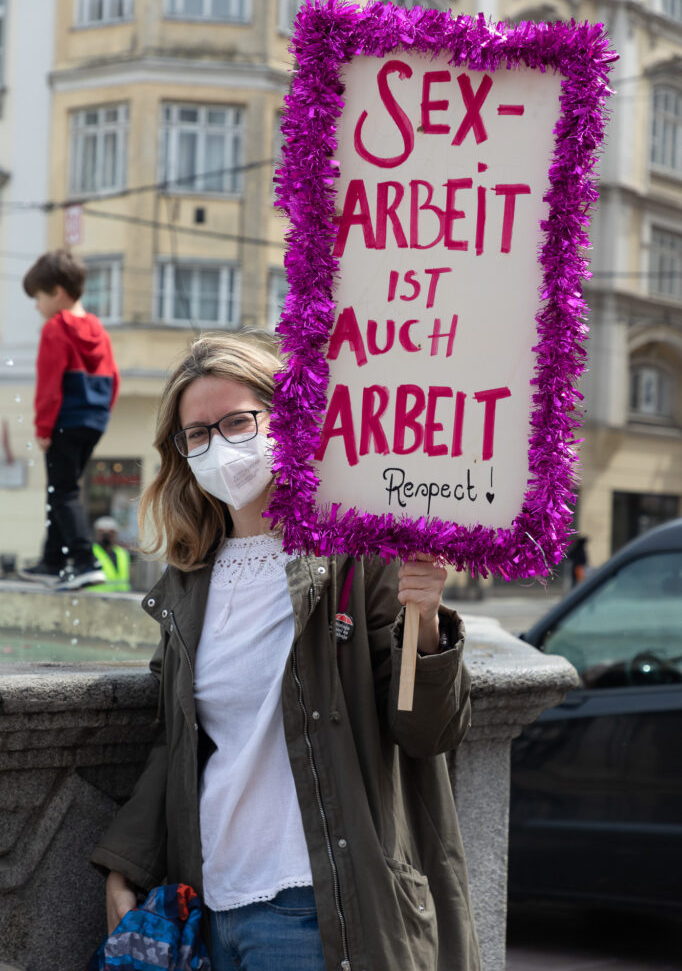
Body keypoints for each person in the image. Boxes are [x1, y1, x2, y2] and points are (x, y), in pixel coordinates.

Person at [91, 331, 481, 971]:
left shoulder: (361, 556)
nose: (219, 447)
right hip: (211, 902)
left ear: (294, 417)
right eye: (197, 435)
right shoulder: (190, 582)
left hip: (315, 907)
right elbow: (177, 742)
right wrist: (124, 864)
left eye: (239, 421)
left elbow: (427, 731)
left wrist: (427, 619)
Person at [20, 249, 119, 590]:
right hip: (93, 420)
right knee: (60, 490)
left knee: (62, 491)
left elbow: (49, 385)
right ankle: (52, 561)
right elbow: (114, 379)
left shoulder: (55, 329)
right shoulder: (98, 330)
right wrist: (101, 416)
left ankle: (84, 560)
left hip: (64, 420)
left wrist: (43, 429)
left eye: (39, 297)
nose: (37, 305)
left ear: (58, 293)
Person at [88, 515, 132, 592]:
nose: (106, 535)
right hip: (96, 598)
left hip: (121, 598)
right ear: (96, 533)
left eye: (111, 532)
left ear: (116, 534)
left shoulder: (122, 553)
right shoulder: (89, 552)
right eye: (102, 532)